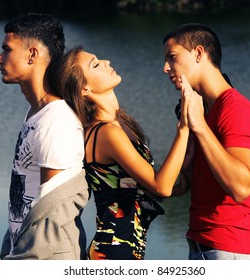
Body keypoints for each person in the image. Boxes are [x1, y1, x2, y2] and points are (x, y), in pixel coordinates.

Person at [48, 46, 190, 260]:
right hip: (113, 252)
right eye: (95, 64)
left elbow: (151, 189)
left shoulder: (120, 124)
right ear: (84, 88)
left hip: (125, 250)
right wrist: (185, 128)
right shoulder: (106, 132)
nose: (105, 62)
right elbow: (161, 186)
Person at [163, 23, 250, 260]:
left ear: (199, 53)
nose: (165, 68)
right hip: (207, 247)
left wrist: (200, 127)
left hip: (232, 251)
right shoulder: (201, 109)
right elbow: (185, 186)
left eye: (172, 58)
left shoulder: (234, 110)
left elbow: (242, 188)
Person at [0, 13, 89, 260]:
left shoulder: (56, 120)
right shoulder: (37, 112)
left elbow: (52, 214)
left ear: (32, 54)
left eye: (6, 49)